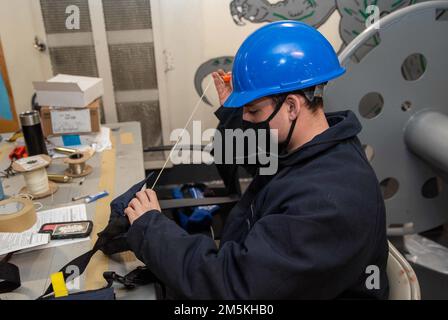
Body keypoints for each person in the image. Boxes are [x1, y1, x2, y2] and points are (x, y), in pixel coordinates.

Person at [124, 21, 389, 299]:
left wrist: (151, 230)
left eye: (252, 110)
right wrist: (234, 112)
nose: (246, 118)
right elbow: (251, 157)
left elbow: (234, 287)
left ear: (291, 107)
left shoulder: (327, 202)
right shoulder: (313, 147)